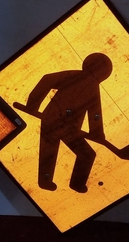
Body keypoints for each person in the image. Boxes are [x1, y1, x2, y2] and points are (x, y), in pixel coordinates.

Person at [16, 53, 113, 193]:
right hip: (52, 120)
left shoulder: (93, 89)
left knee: (86, 154)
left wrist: (97, 133)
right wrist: (33, 104)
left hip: (70, 128)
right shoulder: (73, 76)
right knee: (49, 150)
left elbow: (95, 113)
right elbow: (47, 80)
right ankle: (46, 181)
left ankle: (75, 183)